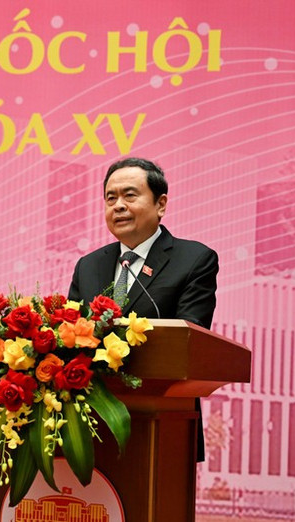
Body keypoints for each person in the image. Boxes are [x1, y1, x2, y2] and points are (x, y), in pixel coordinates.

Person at [68, 157, 218, 461]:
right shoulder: (89, 266)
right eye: (111, 198)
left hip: (161, 424)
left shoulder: (194, 260)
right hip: (89, 425)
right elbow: (71, 335)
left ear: (160, 204)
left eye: (129, 195)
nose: (118, 206)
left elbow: (188, 341)